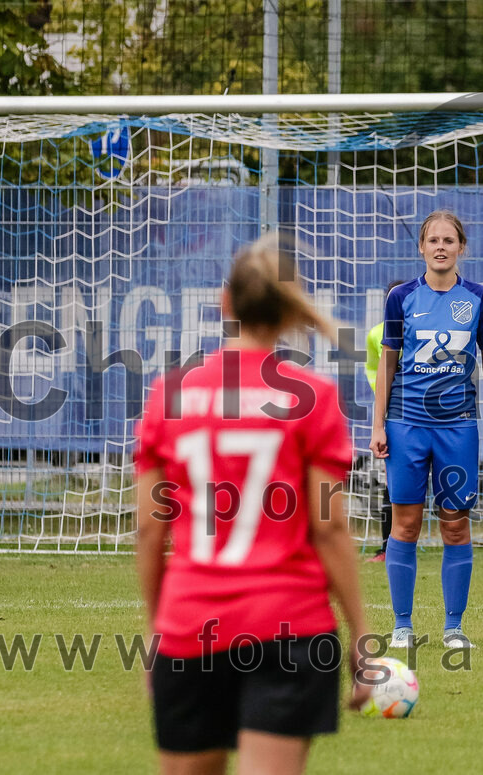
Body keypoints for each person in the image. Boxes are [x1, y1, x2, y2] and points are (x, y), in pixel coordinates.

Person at [136, 233, 372, 774]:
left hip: (191, 625)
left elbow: (151, 531)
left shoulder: (167, 395)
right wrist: (361, 639)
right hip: (291, 628)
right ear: (291, 313)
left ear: (225, 302)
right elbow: (329, 527)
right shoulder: (312, 397)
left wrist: (159, 636)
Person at [369, 210, 483, 649]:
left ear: (461, 247)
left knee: (455, 526)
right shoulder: (401, 298)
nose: (441, 247)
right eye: (433, 240)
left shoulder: (480, 299)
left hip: (458, 427)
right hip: (406, 424)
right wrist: (378, 424)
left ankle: (453, 628)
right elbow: (387, 361)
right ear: (422, 248)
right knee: (404, 526)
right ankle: (403, 626)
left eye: (449, 240)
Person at [364, 281, 403, 563]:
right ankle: (387, 546)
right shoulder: (377, 334)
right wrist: (384, 401)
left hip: (431, 414)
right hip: (394, 414)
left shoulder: (423, 328)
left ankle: (453, 540)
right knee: (392, 483)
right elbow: (373, 369)